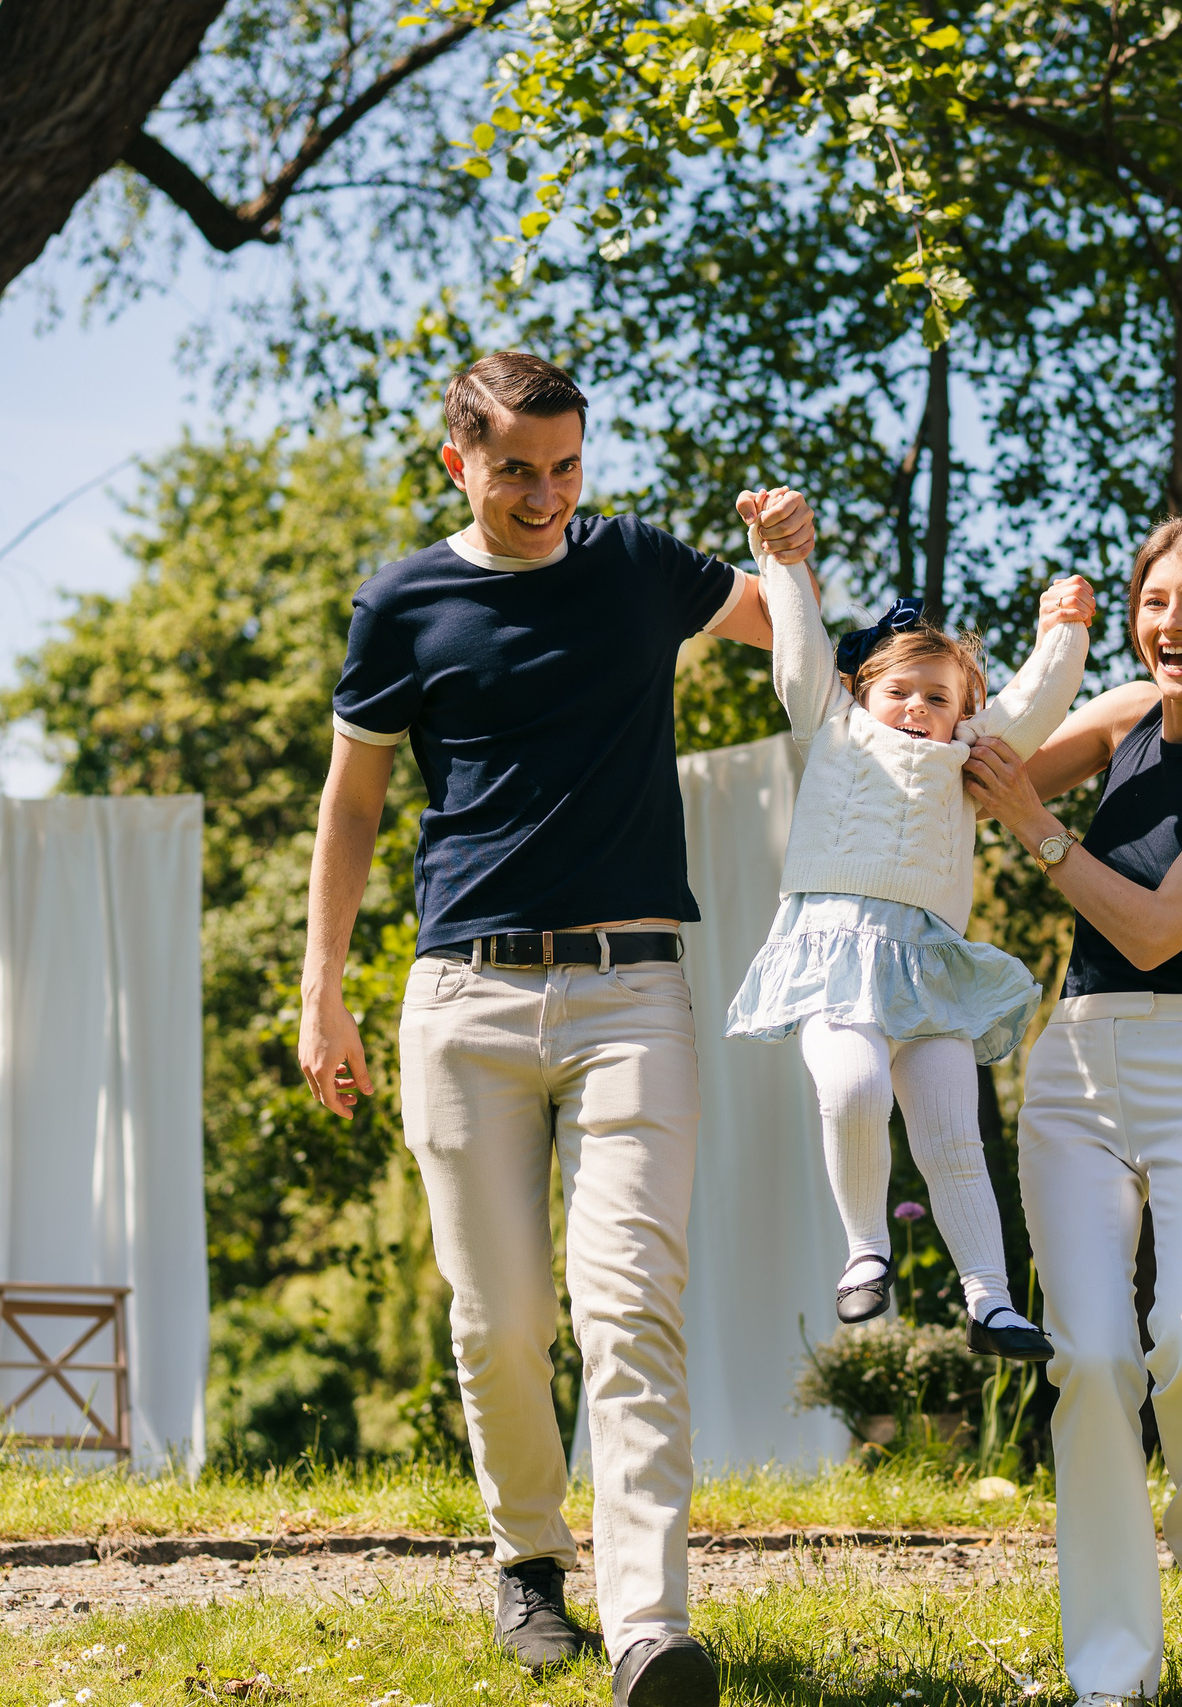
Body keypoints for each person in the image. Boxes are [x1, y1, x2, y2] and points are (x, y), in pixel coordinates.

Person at [296, 350, 815, 1707]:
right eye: (518, 465)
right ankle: (529, 1558)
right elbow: (352, 806)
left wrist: (893, 643)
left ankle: (652, 1622)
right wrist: (323, 984)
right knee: (503, 1316)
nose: (547, 492)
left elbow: (801, 641)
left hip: (633, 991)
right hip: (461, 1000)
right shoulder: (404, 603)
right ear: (458, 459)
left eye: (568, 462)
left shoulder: (641, 565)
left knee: (632, 1304)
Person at [962, 514, 1182, 1703]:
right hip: (1076, 1070)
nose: (1174, 624)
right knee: (1095, 1358)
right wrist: (942, 689)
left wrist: (1038, 830)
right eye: (1156, 601)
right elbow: (973, 775)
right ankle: (1113, 1665)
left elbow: (1161, 926)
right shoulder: (1115, 718)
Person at [722, 527, 1092, 1356]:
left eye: (940, 697)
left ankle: (991, 1300)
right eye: (903, 692)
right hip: (830, 952)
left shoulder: (968, 755)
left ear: (964, 712)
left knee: (952, 1131)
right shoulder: (832, 720)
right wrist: (777, 556)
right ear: (862, 689)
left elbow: (1036, 701)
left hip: (927, 970)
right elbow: (799, 645)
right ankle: (865, 1252)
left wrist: (1064, 628)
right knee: (853, 1090)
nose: (920, 708)